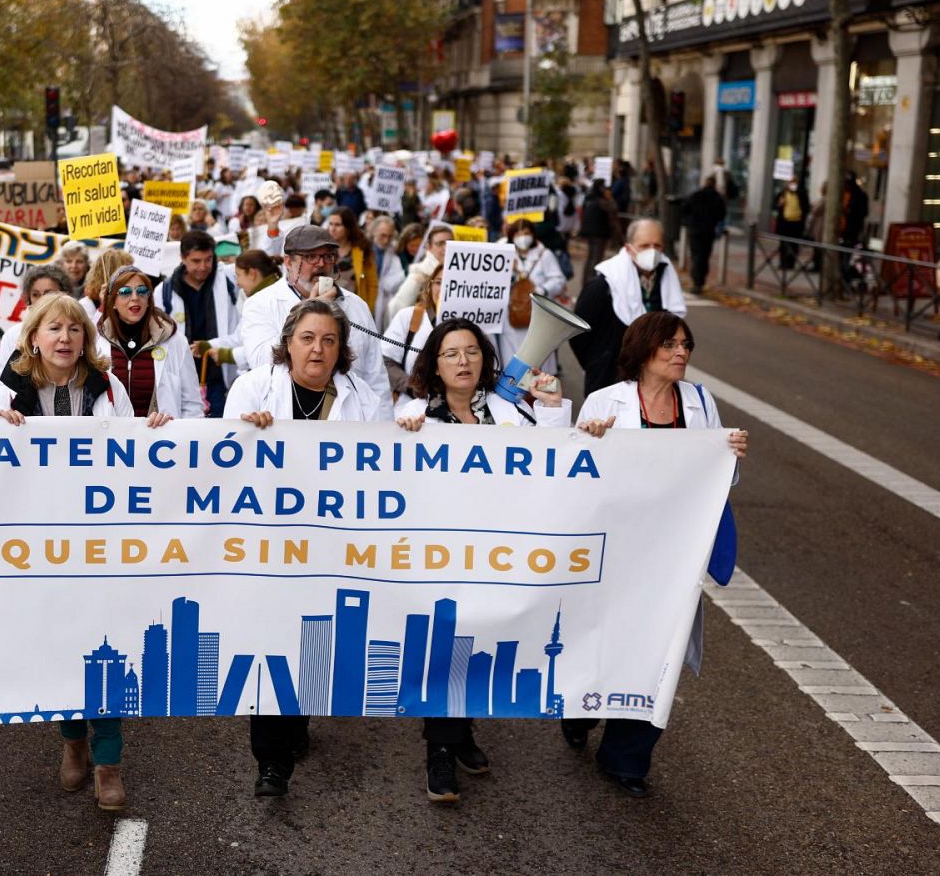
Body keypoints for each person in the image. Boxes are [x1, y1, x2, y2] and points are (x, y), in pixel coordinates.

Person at [569, 311, 748, 797]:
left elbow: (718, 480)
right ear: (644, 349)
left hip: (674, 553)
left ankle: (626, 759)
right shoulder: (608, 400)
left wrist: (729, 451)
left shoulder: (698, 400)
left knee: (658, 652)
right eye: (670, 344)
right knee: (607, 640)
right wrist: (592, 440)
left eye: (686, 345)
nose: (681, 353)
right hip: (618, 548)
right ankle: (581, 710)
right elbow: (579, 470)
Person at [393, 317, 570, 802]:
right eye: (451, 353)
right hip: (436, 557)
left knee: (475, 643)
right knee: (443, 646)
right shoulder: (413, 412)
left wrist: (553, 409)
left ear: (485, 360)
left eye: (471, 351)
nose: (463, 361)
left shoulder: (505, 409)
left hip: (495, 554)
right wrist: (402, 435)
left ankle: (462, 733)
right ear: (435, 363)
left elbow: (554, 455)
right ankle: (440, 755)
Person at [0, 294, 153, 813]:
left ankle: (108, 762)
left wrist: (156, 432)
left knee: (105, 641)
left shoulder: (109, 387)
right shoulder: (10, 390)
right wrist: (0, 427)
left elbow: (134, 452)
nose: (64, 338)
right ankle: (72, 740)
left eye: (74, 329)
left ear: (87, 338)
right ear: (33, 337)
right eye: (54, 328)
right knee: (60, 644)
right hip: (38, 546)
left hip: (100, 540)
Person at [224, 299, 385, 798]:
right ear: (287, 342)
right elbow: (222, 458)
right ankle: (271, 763)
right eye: (308, 338)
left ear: (342, 350)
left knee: (315, 639)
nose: (318, 348)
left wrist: (410, 434)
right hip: (268, 544)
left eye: (330, 340)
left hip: (331, 545)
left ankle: (297, 722)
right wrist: (244, 432)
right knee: (270, 639)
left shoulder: (366, 401)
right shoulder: (252, 388)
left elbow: (384, 468)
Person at [236, 225, 391, 419]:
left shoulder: (356, 305)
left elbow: (376, 377)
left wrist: (386, 435)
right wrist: (312, 311)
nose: (321, 264)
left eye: (328, 256)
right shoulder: (260, 304)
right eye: (310, 257)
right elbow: (262, 360)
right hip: (284, 414)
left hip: (347, 418)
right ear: (288, 262)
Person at [571, 217, 687, 397]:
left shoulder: (666, 280)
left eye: (657, 246)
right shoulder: (604, 284)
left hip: (656, 385)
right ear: (628, 247)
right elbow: (578, 333)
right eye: (645, 246)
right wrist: (598, 363)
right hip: (608, 381)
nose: (652, 251)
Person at [96, 265, 203, 418]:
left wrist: (186, 438)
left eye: (142, 291)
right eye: (125, 292)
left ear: (149, 299)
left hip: (161, 438)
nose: (135, 297)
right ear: (112, 301)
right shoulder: (96, 340)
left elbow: (192, 404)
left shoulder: (175, 341)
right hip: (112, 438)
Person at [156, 230, 241, 417]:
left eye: (208, 259)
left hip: (219, 376)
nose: (203, 266)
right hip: (182, 379)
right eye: (196, 261)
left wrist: (211, 346)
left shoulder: (228, 279)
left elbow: (264, 266)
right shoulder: (163, 292)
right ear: (183, 258)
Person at [498, 218, 569, 369]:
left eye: (526, 233)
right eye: (518, 234)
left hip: (537, 313)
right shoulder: (505, 254)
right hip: (513, 314)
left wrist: (542, 290)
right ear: (511, 236)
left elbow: (558, 279)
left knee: (538, 359)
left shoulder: (544, 254)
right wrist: (511, 272)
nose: (523, 237)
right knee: (514, 359)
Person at [0, 263, 74, 385]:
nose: (42, 299)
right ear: (29, 298)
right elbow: (3, 386)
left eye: (48, 293)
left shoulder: (76, 331)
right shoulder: (14, 335)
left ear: (64, 294)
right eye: (36, 294)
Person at [381, 263, 439, 396]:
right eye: (438, 282)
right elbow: (386, 361)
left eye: (450, 282)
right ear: (430, 286)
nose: (444, 288)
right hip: (410, 406)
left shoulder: (472, 324)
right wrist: (413, 387)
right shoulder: (410, 316)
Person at [324, 206, 378, 314]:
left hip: (355, 308)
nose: (332, 229)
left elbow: (372, 284)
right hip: (329, 308)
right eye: (331, 224)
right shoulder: (324, 249)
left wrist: (368, 309)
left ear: (348, 227)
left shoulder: (362, 249)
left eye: (338, 225)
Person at [681, 176, 727, 294]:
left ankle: (697, 280)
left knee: (696, 255)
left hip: (695, 230)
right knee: (704, 256)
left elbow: (684, 208)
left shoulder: (696, 195)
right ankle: (700, 281)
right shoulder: (717, 198)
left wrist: (688, 222)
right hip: (708, 231)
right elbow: (722, 214)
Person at [577, 179, 619, 287]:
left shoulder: (589, 199)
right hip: (599, 233)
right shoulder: (601, 201)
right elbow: (614, 207)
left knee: (591, 258)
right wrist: (610, 198)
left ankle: (586, 281)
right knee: (596, 258)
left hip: (590, 232)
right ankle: (591, 283)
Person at [772, 177, 810, 272]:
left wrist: (802, 218)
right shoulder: (783, 193)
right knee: (783, 244)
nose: (792, 184)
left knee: (794, 244)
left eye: (794, 182)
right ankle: (783, 263)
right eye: (790, 182)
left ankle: (791, 263)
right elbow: (775, 205)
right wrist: (779, 204)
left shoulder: (801, 193)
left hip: (796, 224)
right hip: (784, 223)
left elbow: (806, 207)